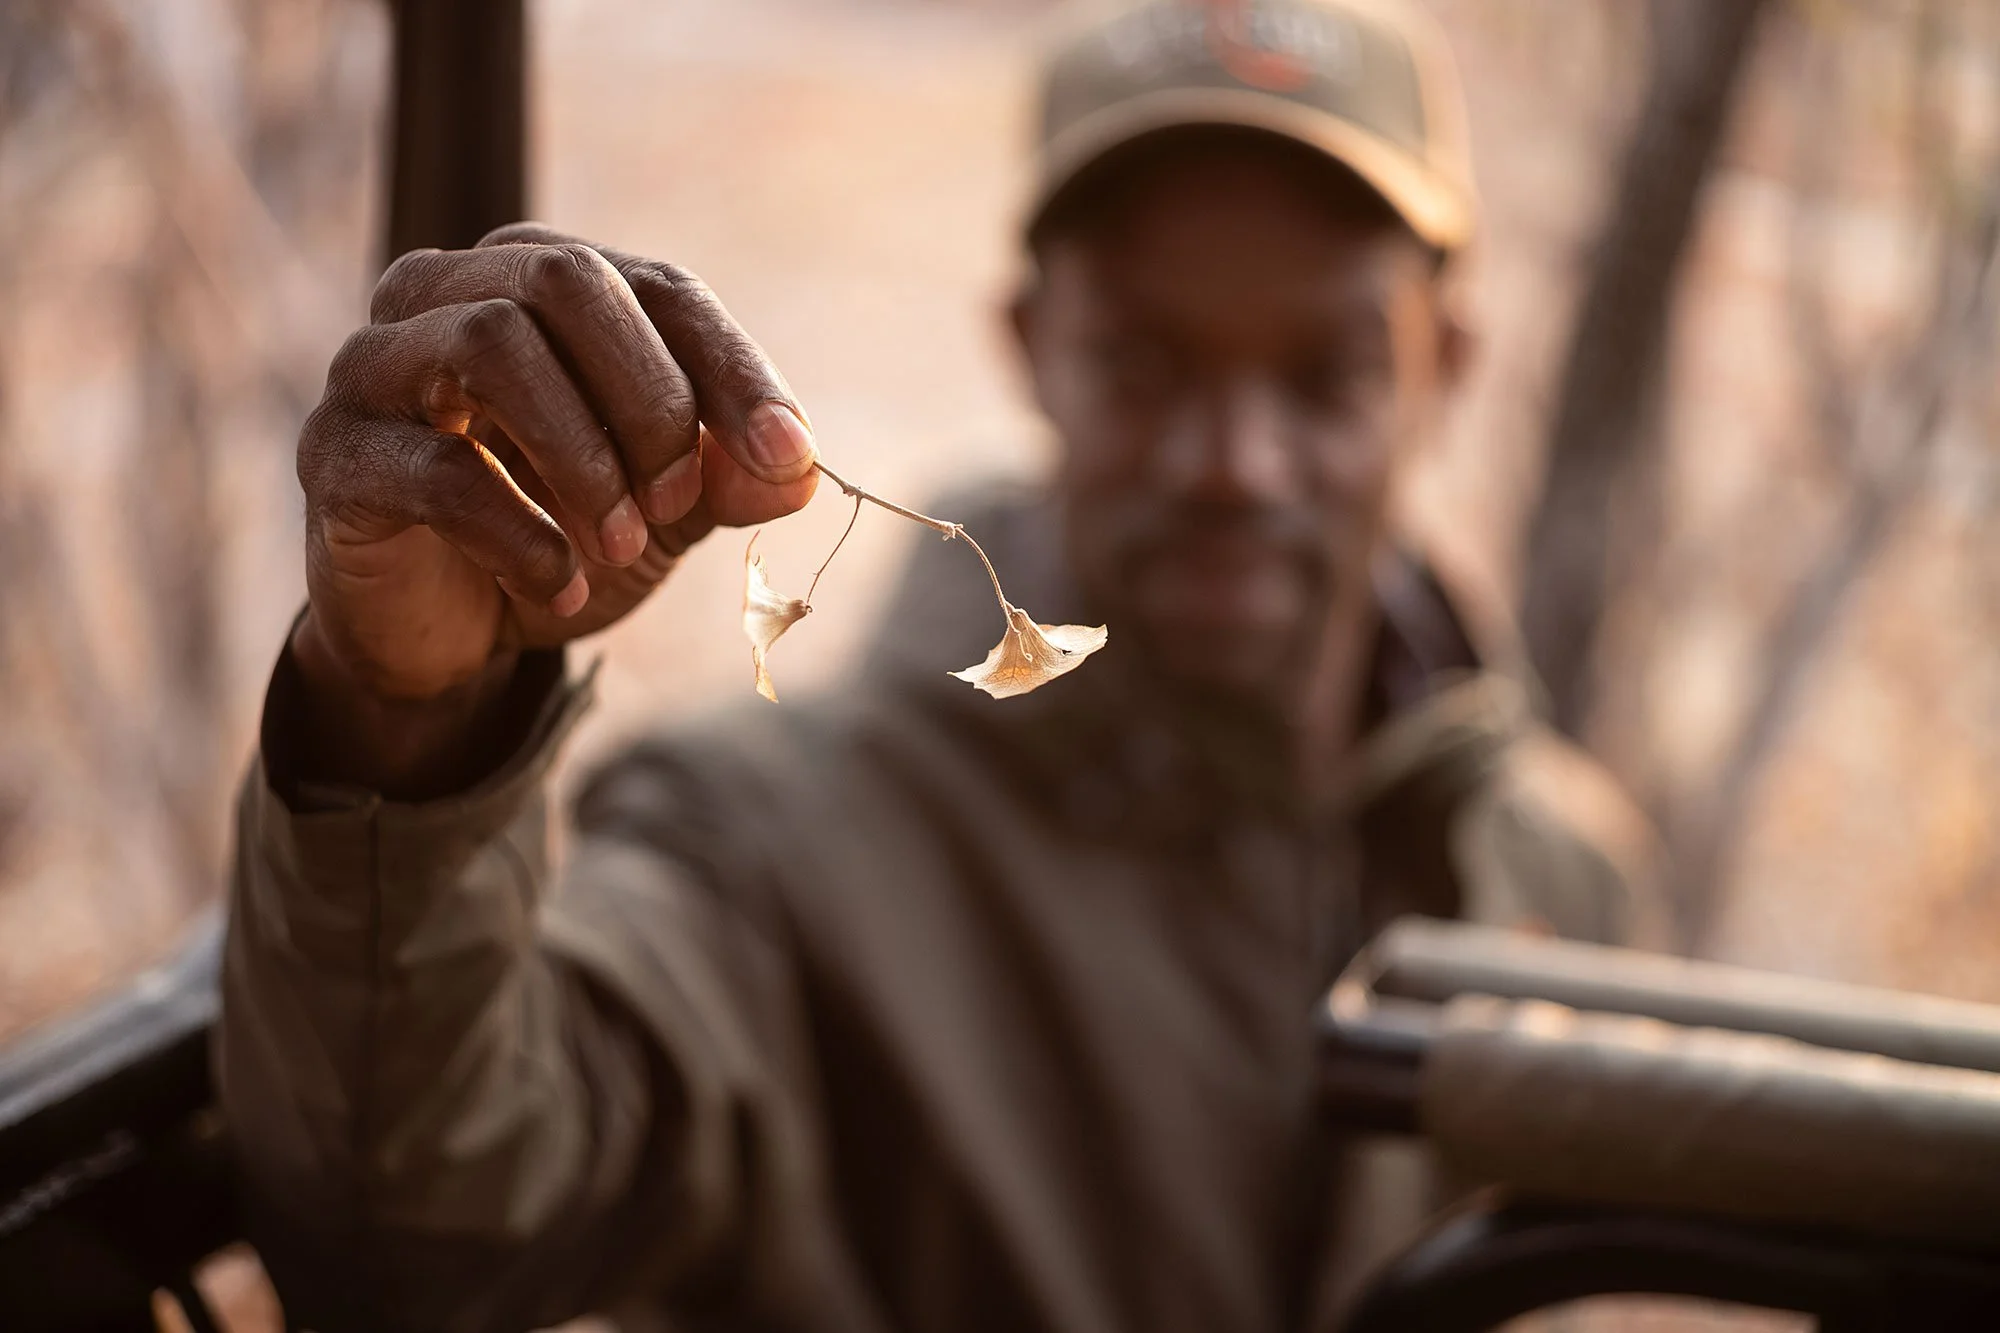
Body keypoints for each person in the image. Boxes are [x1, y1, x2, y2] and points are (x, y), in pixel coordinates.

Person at [220, 1, 1656, 1329]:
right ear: (1033, 350)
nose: (1235, 463)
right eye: (1146, 364)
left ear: (1446, 367)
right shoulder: (774, 854)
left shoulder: (1547, 870)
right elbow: (409, 1224)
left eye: (1325, 374)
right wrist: (404, 727)